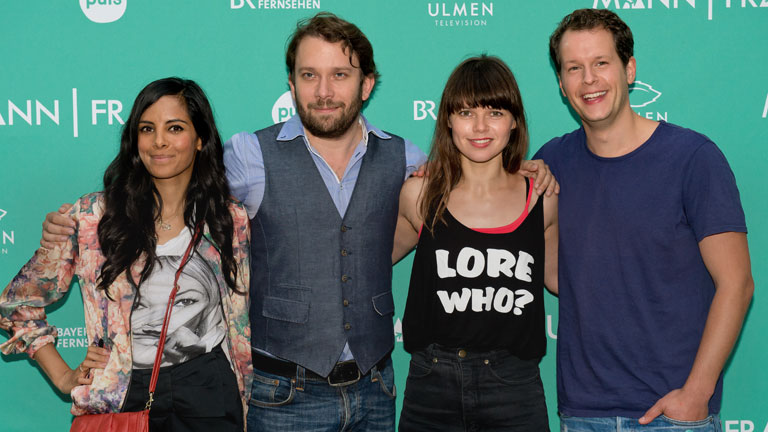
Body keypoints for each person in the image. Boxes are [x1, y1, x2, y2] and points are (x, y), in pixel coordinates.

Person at [40, 12, 556, 432]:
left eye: (341, 75)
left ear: (367, 83)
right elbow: (174, 183)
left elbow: (470, 178)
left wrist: (529, 167)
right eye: (310, 75)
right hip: (282, 395)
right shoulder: (248, 155)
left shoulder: (404, 159)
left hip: (377, 393)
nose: (324, 90)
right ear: (292, 84)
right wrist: (79, 224)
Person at [534, 8, 754, 431]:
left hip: (673, 415)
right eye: (574, 68)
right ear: (561, 84)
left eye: (601, 63)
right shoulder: (552, 162)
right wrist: (436, 169)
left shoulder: (694, 158)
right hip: (583, 412)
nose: (589, 80)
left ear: (629, 69)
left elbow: (737, 283)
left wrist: (696, 393)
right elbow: (561, 278)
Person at [0, 77, 252, 431]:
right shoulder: (92, 217)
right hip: (121, 390)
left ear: (200, 140)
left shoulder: (230, 218)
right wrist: (63, 377)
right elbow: (18, 304)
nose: (159, 141)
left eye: (175, 127)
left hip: (208, 389)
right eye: (147, 129)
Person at [393, 55, 558, 431]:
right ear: (448, 120)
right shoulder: (419, 195)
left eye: (495, 112)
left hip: (513, 388)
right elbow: (360, 260)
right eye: (466, 112)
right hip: (431, 384)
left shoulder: (543, 198)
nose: (480, 126)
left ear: (514, 120)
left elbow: (563, 279)